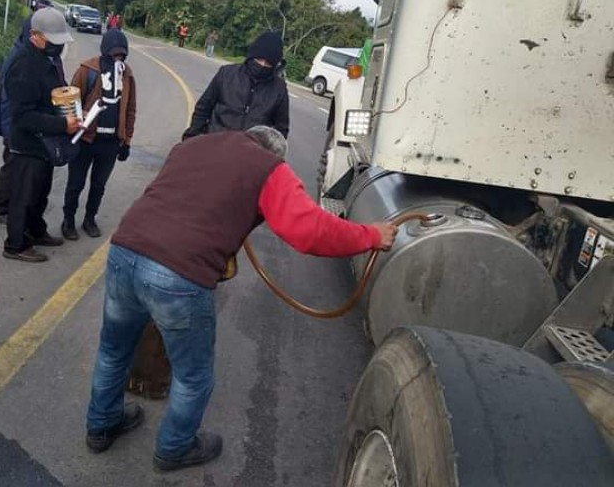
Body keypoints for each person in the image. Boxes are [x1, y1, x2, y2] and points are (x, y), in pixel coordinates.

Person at [84, 126, 398, 471]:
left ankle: (101, 425)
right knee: (193, 376)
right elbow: (309, 230)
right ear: (274, 153)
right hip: (179, 276)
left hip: (124, 251)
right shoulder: (269, 168)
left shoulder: (196, 144)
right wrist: (371, 235)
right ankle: (174, 448)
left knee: (114, 351)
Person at [3, 7, 80, 263]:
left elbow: (54, 96)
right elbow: (22, 116)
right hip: (27, 144)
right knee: (23, 198)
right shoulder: (24, 65)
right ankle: (16, 245)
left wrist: (72, 108)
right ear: (35, 36)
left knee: (39, 193)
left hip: (44, 143)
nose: (57, 47)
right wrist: (61, 126)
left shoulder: (48, 60)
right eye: (52, 41)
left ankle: (37, 232)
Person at [0, 14, 67, 224]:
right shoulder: (21, 60)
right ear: (34, 35)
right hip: (17, 126)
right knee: (15, 170)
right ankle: (0, 209)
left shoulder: (49, 56)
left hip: (38, 128)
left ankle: (23, 221)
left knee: (32, 182)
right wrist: (10, 133)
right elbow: (12, 102)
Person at [61, 29, 136, 240]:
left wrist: (126, 141)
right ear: (105, 51)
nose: (118, 58)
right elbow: (70, 100)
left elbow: (130, 110)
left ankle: (89, 219)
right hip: (85, 140)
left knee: (99, 185)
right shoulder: (87, 70)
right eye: (114, 54)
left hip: (110, 143)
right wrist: (74, 124)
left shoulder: (127, 75)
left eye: (122, 55)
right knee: (75, 183)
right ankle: (68, 220)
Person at [182, 31, 289, 140]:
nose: (262, 65)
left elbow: (281, 130)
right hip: (215, 142)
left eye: (268, 63)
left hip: (251, 151)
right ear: (252, 56)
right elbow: (203, 107)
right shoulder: (226, 74)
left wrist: (268, 154)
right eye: (259, 59)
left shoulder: (279, 89)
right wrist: (192, 137)